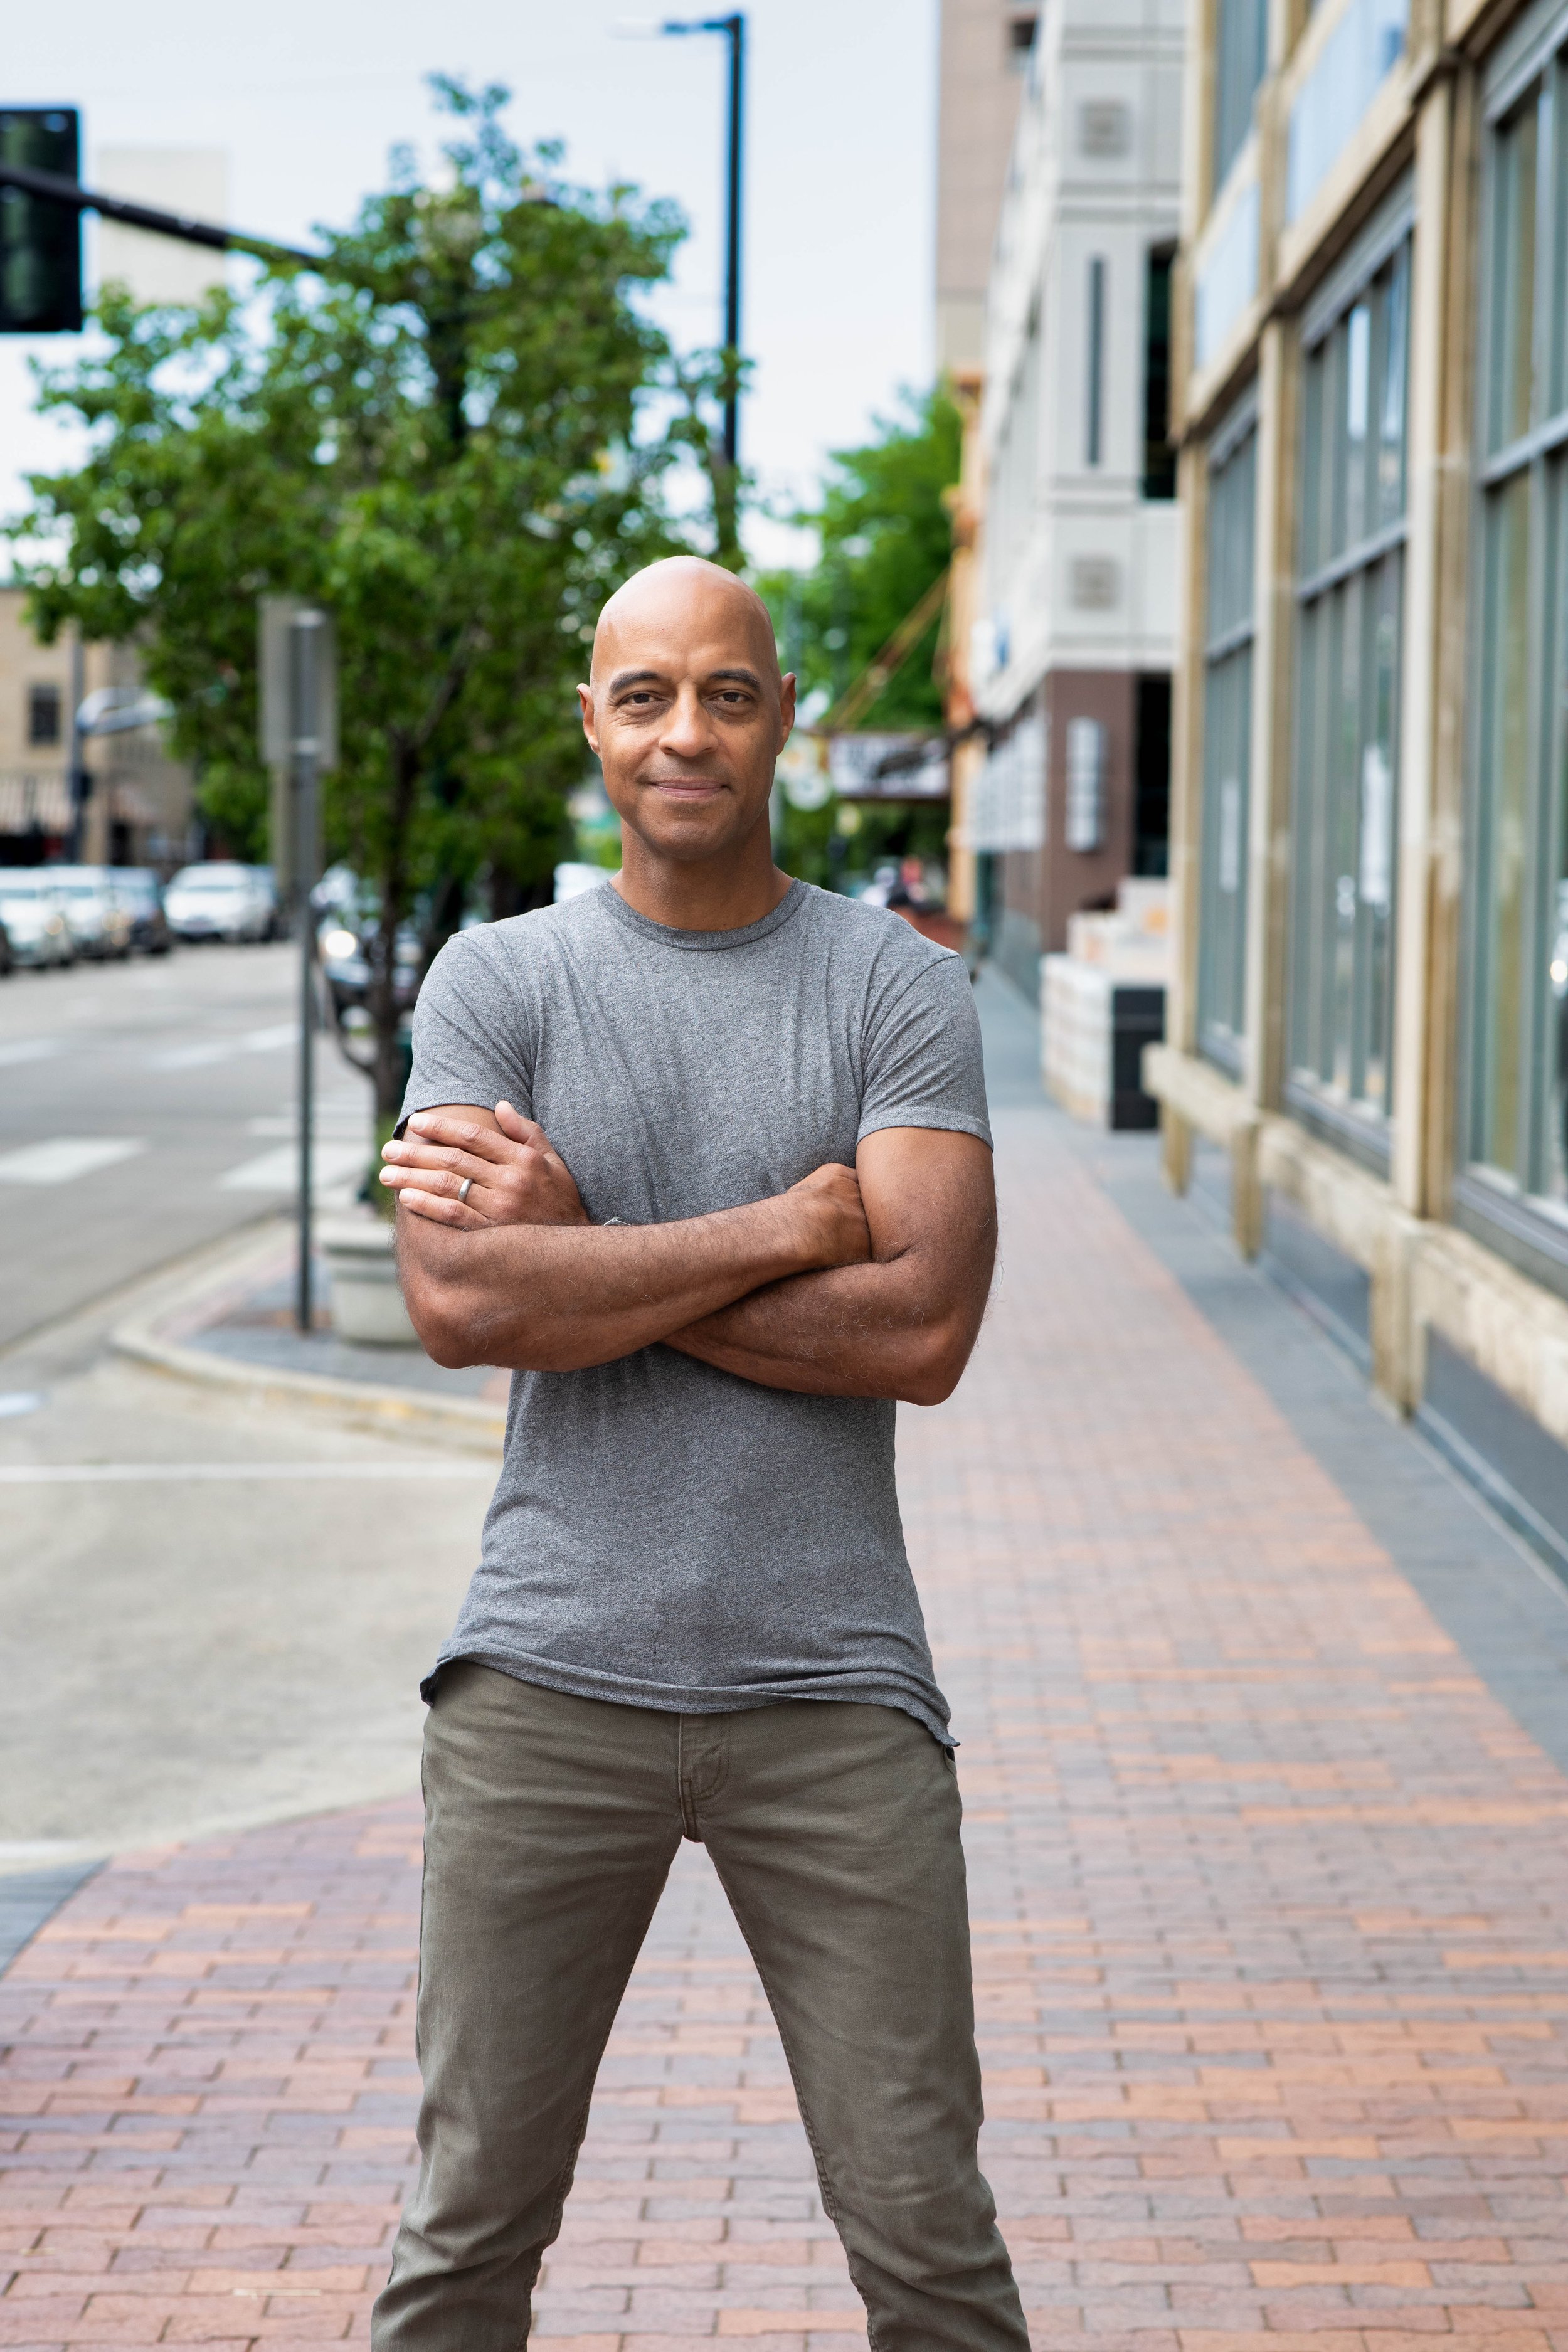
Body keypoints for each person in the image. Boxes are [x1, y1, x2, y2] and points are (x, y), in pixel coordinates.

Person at [371, 556, 1028, 2352]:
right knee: (467, 2230)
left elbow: (920, 1337)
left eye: (725, 693)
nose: (686, 731)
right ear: (592, 722)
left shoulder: (893, 988)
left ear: (782, 718)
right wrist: (778, 1226)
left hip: (831, 1689)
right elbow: (456, 1299)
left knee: (924, 2232)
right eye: (645, 694)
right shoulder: (495, 979)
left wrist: (583, 1242)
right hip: (544, 1678)